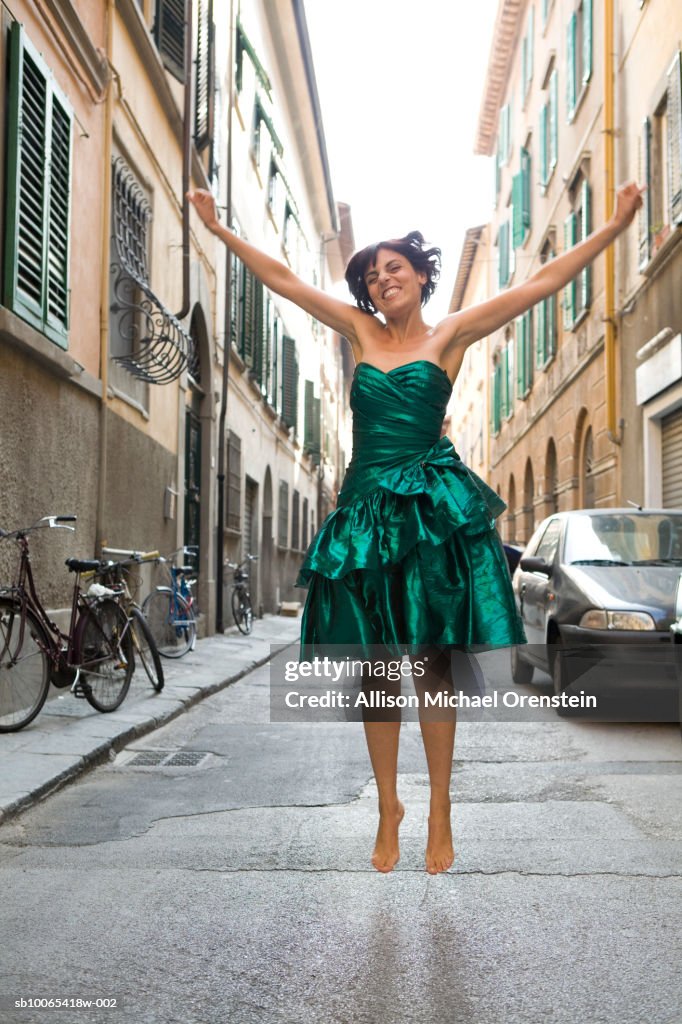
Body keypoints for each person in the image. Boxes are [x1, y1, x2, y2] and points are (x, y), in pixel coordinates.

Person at [188, 181, 644, 875]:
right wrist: (220, 231)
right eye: (372, 273)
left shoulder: (451, 334)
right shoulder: (359, 330)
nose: (380, 277)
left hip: (430, 514)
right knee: (376, 671)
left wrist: (613, 227)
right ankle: (388, 807)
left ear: (422, 276)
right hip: (368, 516)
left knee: (431, 664)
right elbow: (280, 279)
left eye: (393, 266)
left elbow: (546, 280)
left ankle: (439, 809)